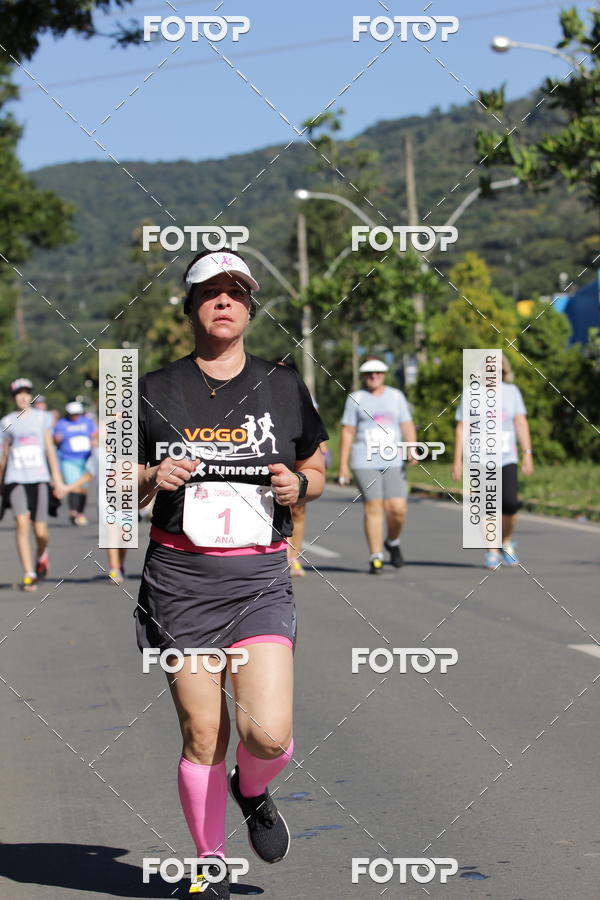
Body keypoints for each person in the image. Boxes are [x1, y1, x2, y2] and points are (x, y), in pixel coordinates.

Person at [136, 248, 328, 897]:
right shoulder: (153, 390)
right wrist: (145, 475)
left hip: (257, 579)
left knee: (267, 735)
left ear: (249, 306)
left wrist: (300, 482)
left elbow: (319, 465)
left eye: (237, 291)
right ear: (190, 306)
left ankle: (252, 787)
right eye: (210, 291)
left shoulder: (281, 383)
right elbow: (112, 485)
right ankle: (210, 863)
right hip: (180, 580)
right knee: (203, 732)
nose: (225, 300)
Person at [452, 354, 533, 568]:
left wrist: (527, 453)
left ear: (503, 372)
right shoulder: (471, 394)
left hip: (506, 457)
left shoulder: (512, 392)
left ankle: (505, 542)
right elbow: (463, 427)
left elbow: (521, 423)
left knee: (509, 503)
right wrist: (457, 461)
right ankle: (491, 550)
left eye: (497, 370)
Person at [338, 359, 417, 574]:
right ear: (364, 376)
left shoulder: (395, 396)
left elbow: (406, 423)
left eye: (378, 373)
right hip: (365, 460)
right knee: (374, 506)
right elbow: (347, 432)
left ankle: (392, 541)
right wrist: (343, 465)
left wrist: (412, 447)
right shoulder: (357, 398)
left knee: (398, 509)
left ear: (384, 374)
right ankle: (376, 556)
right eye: (369, 373)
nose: (374, 377)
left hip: (393, 458)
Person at [0, 378, 64, 591]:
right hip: (15, 478)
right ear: (13, 397)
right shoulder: (7, 421)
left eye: (27, 392)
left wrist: (57, 478)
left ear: (31, 395)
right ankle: (28, 573)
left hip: (39, 478)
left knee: (41, 531)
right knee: (21, 523)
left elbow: (49, 449)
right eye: (19, 393)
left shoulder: (42, 418)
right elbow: (5, 454)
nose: (23, 396)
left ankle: (41, 555)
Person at [271, 355, 330, 576]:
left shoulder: (301, 394)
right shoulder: (260, 394)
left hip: (300, 455)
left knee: (299, 508)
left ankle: (292, 556)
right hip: (276, 457)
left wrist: (322, 449)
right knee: (279, 504)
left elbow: (314, 426)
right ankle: (277, 553)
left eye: (285, 370)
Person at [53, 400, 97, 525]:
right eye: (73, 414)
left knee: (83, 488)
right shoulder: (61, 424)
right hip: (68, 459)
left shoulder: (87, 422)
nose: (75, 416)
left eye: (77, 414)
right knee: (74, 486)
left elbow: (95, 434)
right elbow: (55, 439)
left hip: (86, 459)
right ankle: (73, 512)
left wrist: (94, 439)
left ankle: (80, 512)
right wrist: (57, 439)